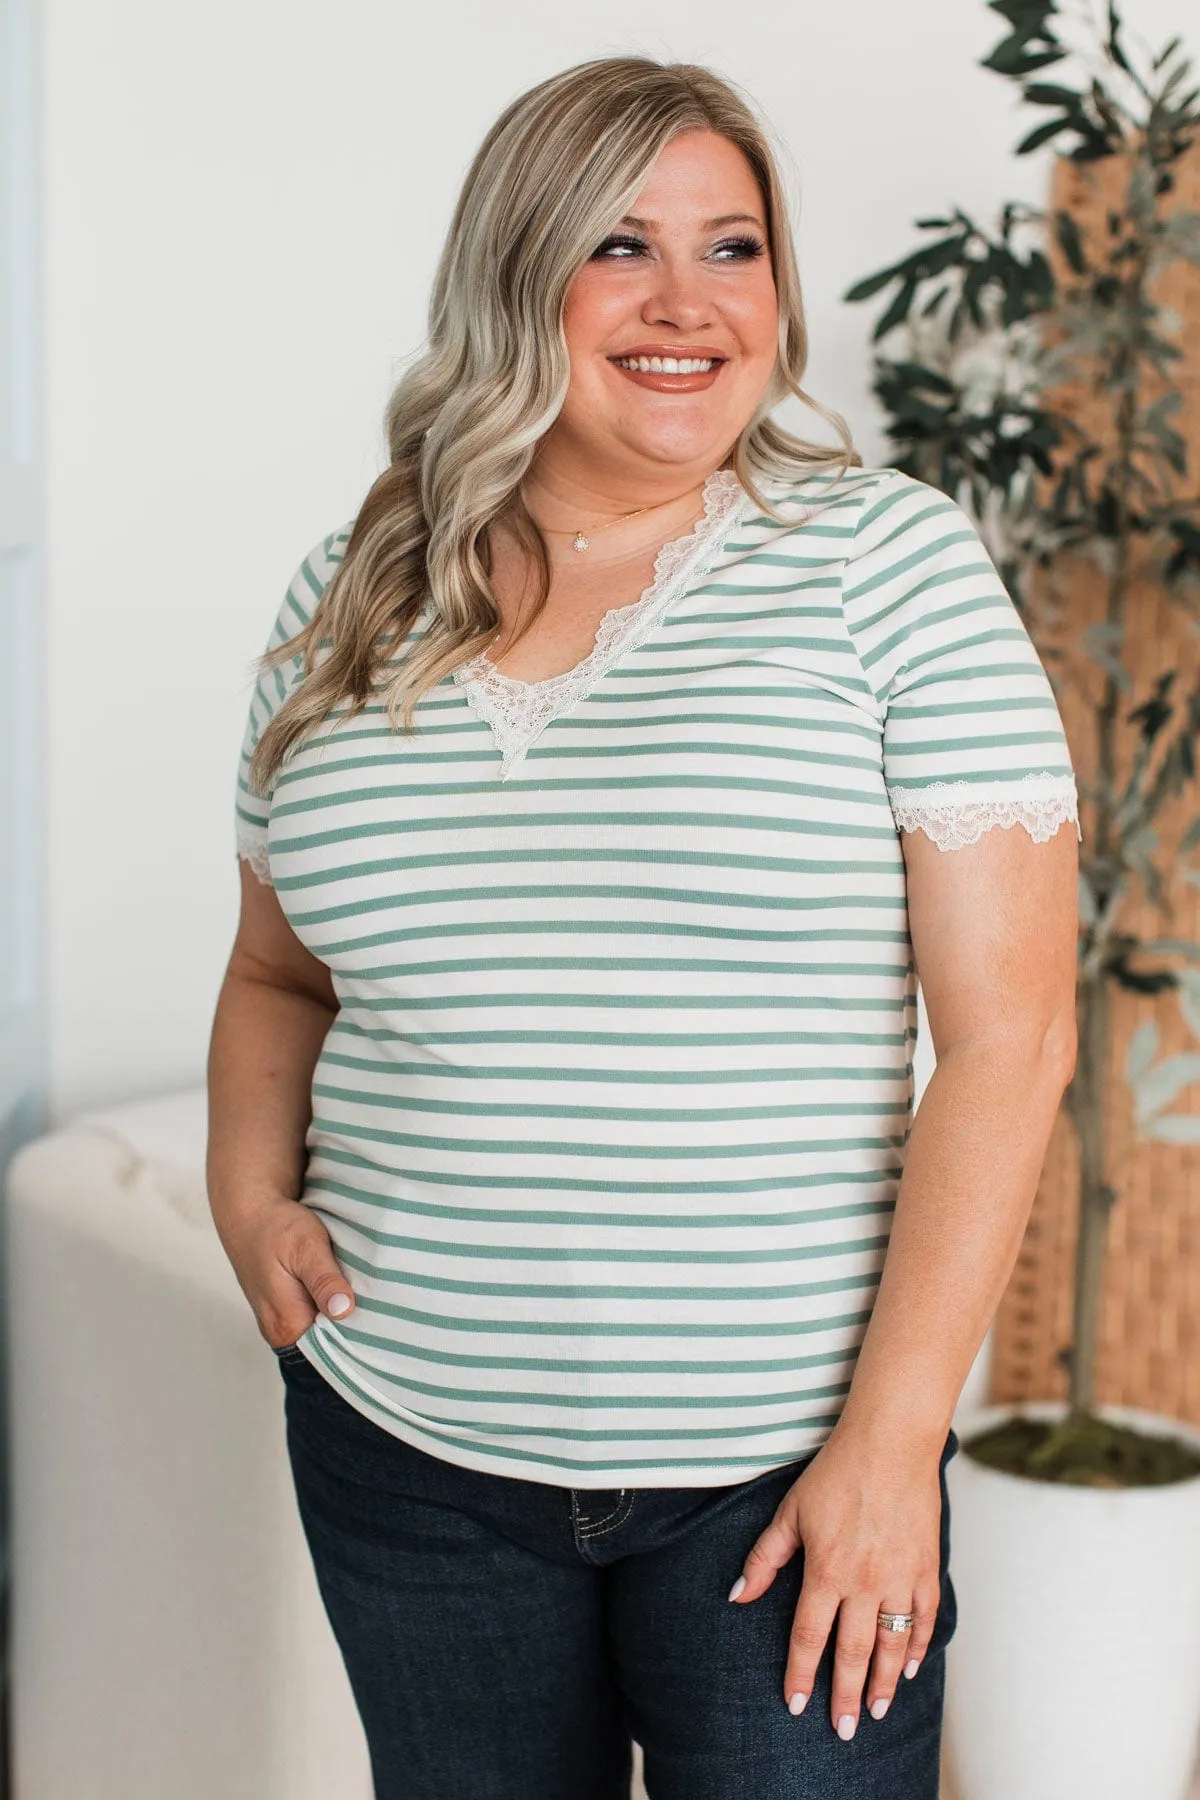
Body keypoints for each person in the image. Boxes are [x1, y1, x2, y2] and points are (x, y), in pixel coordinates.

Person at [206, 53, 1080, 1800]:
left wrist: (894, 1449)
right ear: (515, 277)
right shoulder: (350, 594)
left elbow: (1011, 1039)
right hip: (404, 1445)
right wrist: (247, 1191)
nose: (689, 303)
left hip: (780, 1481)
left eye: (734, 247)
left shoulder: (888, 570)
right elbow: (277, 969)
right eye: (622, 244)